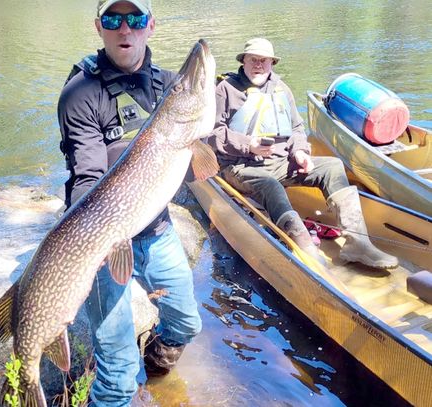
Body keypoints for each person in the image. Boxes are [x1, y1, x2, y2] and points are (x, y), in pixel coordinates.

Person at [57, 0, 202, 405]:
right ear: (98, 27)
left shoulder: (170, 86)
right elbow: (86, 178)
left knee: (187, 323)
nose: (125, 29)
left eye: (135, 19)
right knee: (118, 370)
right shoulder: (80, 92)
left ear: (150, 26)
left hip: (156, 230)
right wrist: (92, 240)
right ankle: (116, 391)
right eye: (113, 20)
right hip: (102, 239)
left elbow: (197, 168)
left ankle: (156, 374)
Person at [207, 37, 398, 269]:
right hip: (240, 167)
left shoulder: (281, 88)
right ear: (243, 61)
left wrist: (300, 151)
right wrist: (249, 144)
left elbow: (297, 129)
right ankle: (303, 247)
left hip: (280, 162)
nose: (258, 65)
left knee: (332, 167)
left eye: (264, 61)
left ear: (272, 63)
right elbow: (212, 134)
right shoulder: (224, 90)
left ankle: (358, 244)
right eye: (253, 60)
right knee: (270, 185)